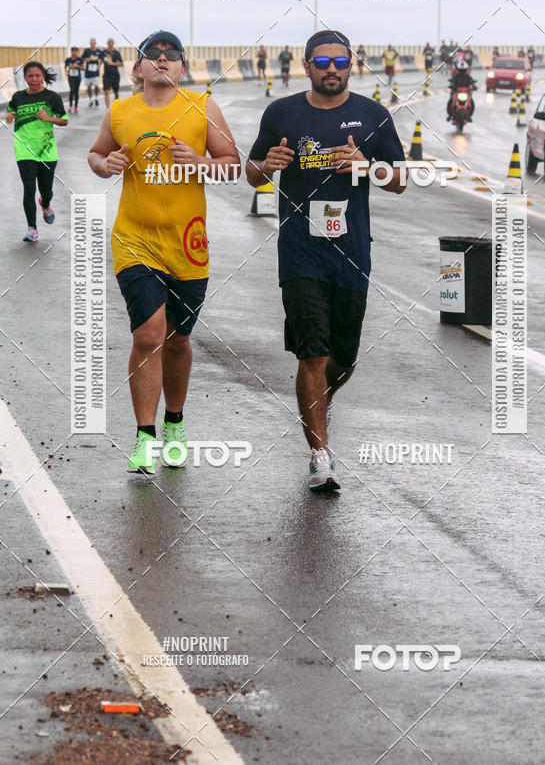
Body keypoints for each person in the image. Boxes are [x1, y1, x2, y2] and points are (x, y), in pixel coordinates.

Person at [246, 29, 406, 492]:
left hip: (351, 252)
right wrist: (267, 165)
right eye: (322, 61)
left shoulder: (372, 115)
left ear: (351, 65)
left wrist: (365, 165)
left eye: (340, 62)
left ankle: (319, 399)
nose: (331, 69)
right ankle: (321, 456)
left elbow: (398, 181)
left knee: (343, 358)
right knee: (311, 353)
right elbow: (251, 172)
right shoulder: (282, 112)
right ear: (306, 65)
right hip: (300, 251)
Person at [88, 30, 240, 475]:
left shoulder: (202, 106)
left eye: (170, 55)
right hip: (134, 240)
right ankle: (145, 438)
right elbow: (96, 155)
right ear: (138, 68)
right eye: (151, 55)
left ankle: (175, 423)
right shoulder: (120, 111)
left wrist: (202, 163)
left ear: (182, 67)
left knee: (178, 339)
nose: (161, 60)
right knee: (149, 334)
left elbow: (233, 164)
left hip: (187, 245)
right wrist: (105, 165)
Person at [5, 62, 68, 241]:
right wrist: (9, 117)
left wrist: (48, 118)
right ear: (24, 77)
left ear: (42, 77)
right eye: (30, 76)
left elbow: (64, 120)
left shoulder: (52, 97)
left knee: (45, 189)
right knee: (29, 188)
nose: (34, 79)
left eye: (37, 76)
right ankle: (32, 228)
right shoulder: (17, 97)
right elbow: (9, 116)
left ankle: (46, 203)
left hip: (47, 151)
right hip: (24, 150)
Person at [102, 38, 123, 108]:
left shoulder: (116, 53)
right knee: (106, 92)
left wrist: (112, 63)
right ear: (107, 43)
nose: (110, 44)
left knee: (116, 93)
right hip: (106, 75)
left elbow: (121, 63)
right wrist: (97, 66)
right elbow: (100, 60)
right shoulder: (104, 52)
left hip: (115, 75)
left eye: (111, 42)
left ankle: (116, 106)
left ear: (113, 43)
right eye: (109, 42)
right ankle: (107, 108)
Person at [82, 38, 102, 106]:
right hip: (88, 72)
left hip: (95, 72)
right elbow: (82, 58)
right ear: (90, 43)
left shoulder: (98, 51)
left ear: (95, 43)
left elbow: (102, 59)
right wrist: (85, 59)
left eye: (94, 43)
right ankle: (90, 100)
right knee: (89, 87)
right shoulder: (86, 51)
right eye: (91, 43)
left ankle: (96, 98)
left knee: (96, 86)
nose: (92, 44)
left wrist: (99, 65)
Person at [64, 46, 83, 113]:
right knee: (72, 90)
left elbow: (83, 68)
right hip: (71, 77)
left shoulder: (80, 59)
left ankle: (76, 107)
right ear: (71, 52)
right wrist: (66, 72)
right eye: (73, 51)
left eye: (75, 51)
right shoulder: (68, 60)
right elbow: (65, 68)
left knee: (76, 91)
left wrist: (78, 66)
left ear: (77, 52)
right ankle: (70, 106)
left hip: (77, 77)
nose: (74, 52)